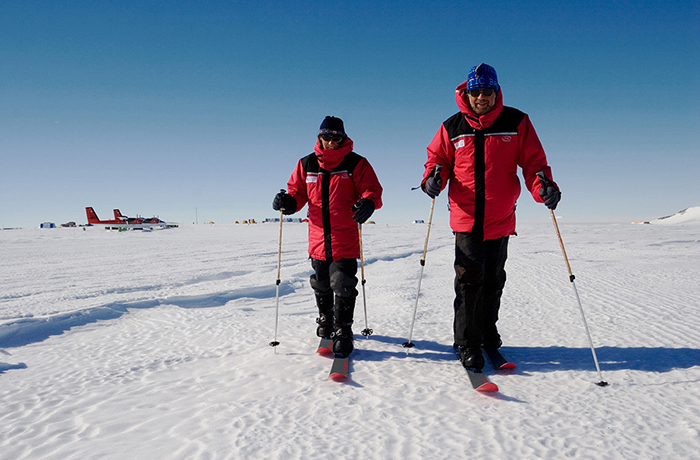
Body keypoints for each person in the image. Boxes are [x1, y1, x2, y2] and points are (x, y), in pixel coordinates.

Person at [421, 63, 561, 370]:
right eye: (475, 92)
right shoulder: (452, 126)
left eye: (486, 91)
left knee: (494, 279)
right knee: (469, 280)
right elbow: (437, 161)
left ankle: (486, 333)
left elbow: (534, 162)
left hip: (500, 217)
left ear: (495, 92)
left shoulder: (516, 121)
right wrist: (432, 179)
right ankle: (467, 342)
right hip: (466, 216)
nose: (481, 97)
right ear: (467, 94)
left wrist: (544, 188)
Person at [273, 116, 383, 356]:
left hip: (345, 238)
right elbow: (297, 193)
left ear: (344, 138)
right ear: (319, 137)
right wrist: (288, 202)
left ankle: (343, 329)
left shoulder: (356, 163)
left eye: (336, 137)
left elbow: (372, 189)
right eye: (327, 137)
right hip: (318, 239)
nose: (332, 142)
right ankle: (326, 318)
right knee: (321, 283)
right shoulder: (307, 164)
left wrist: (368, 203)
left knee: (342, 283)